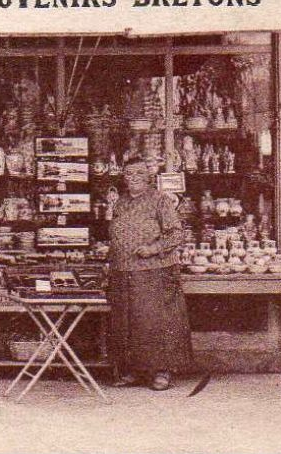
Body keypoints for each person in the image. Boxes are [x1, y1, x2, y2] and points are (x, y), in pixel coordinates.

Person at [107, 156, 194, 391]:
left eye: (139, 174)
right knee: (130, 324)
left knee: (155, 322)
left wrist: (152, 249)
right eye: (129, 174)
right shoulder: (121, 203)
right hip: (124, 272)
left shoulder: (160, 200)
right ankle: (135, 372)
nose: (133, 178)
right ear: (123, 178)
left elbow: (177, 234)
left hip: (155, 271)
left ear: (149, 177)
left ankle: (161, 372)